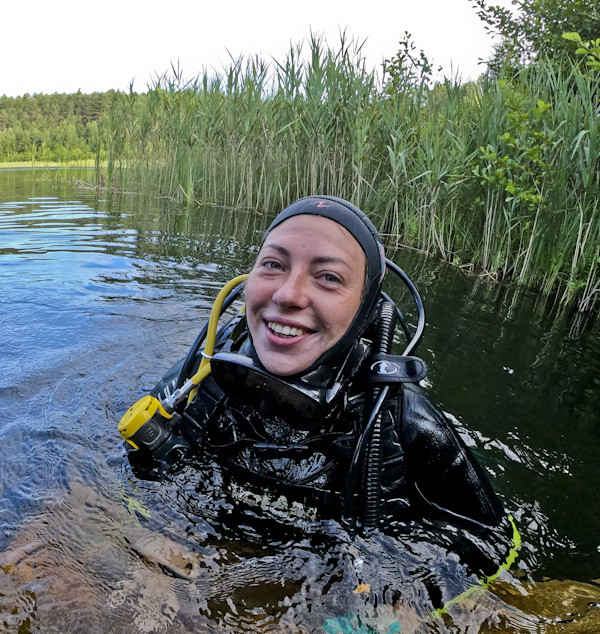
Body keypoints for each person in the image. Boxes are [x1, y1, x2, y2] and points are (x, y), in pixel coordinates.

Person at [121, 195, 505, 535]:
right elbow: (132, 474)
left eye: (328, 277)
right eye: (272, 264)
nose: (288, 294)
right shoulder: (205, 371)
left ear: (364, 309)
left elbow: (495, 556)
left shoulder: (400, 423)